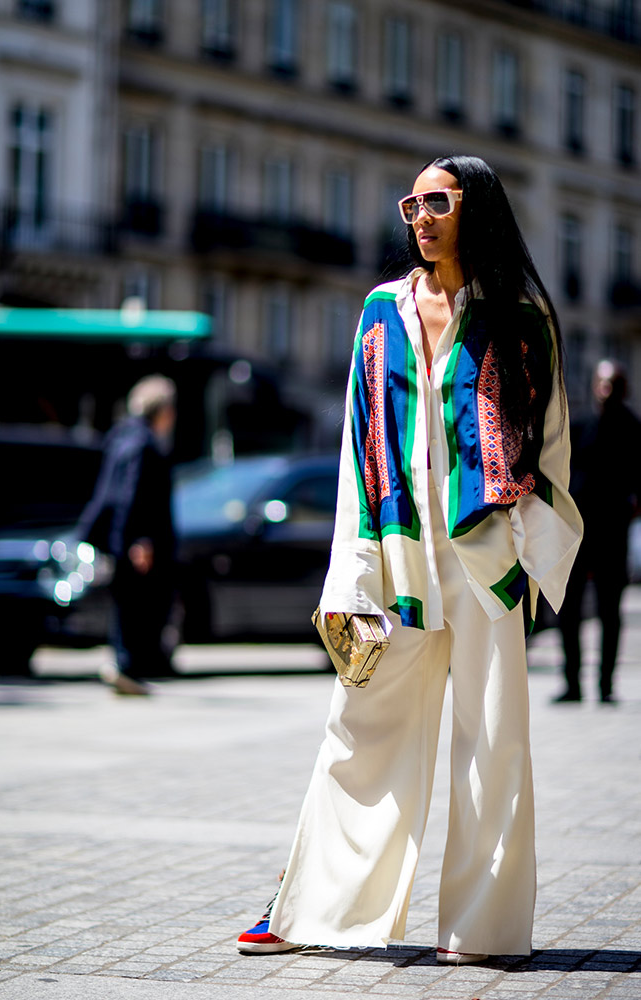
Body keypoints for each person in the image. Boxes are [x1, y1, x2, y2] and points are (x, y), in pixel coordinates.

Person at [237, 155, 583, 964]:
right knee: (356, 729)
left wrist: (526, 552)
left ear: (475, 209)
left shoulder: (520, 315)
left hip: (485, 559)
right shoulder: (378, 312)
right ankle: (312, 909)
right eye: (410, 203)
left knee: (492, 743)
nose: (419, 217)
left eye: (436, 201)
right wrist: (349, 571)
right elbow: (357, 448)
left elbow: (552, 444)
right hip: (393, 560)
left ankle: (484, 930)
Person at [78, 375, 177, 695]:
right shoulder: (143, 444)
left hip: (117, 536)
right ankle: (128, 667)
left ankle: (125, 665)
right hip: (135, 539)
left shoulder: (119, 437)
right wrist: (141, 540)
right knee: (138, 602)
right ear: (161, 411)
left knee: (127, 601)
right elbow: (133, 495)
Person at [555, 360, 641, 704]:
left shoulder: (635, 431)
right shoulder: (579, 426)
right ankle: (572, 684)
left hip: (613, 534)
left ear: (623, 389)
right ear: (594, 387)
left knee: (609, 611)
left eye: (613, 383)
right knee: (569, 608)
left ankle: (605, 685)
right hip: (576, 534)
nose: (606, 390)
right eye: (602, 383)